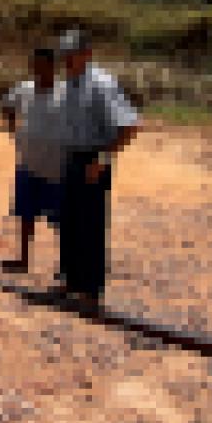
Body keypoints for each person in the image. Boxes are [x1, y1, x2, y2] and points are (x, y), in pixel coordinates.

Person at [54, 29, 141, 308]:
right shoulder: (68, 83)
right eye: (64, 55)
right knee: (68, 222)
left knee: (91, 226)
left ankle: (91, 291)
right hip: (70, 158)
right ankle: (70, 280)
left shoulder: (102, 84)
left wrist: (103, 160)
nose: (67, 59)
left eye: (73, 54)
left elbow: (129, 126)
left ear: (87, 54)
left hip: (94, 160)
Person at [0, 47, 66, 274]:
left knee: (61, 220)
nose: (38, 70)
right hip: (28, 163)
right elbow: (7, 106)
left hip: (57, 166)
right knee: (25, 213)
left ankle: (65, 265)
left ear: (53, 67)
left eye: (43, 65)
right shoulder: (24, 89)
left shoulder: (64, 93)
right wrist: (12, 131)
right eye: (34, 65)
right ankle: (23, 260)